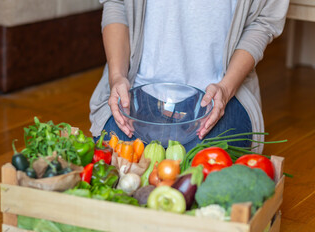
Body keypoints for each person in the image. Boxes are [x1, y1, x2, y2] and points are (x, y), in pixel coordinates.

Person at [89, 0, 289, 153]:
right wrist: (117, 76)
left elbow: (263, 23)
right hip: (136, 90)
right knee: (121, 170)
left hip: (219, 97)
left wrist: (226, 89)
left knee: (201, 176)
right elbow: (117, 4)